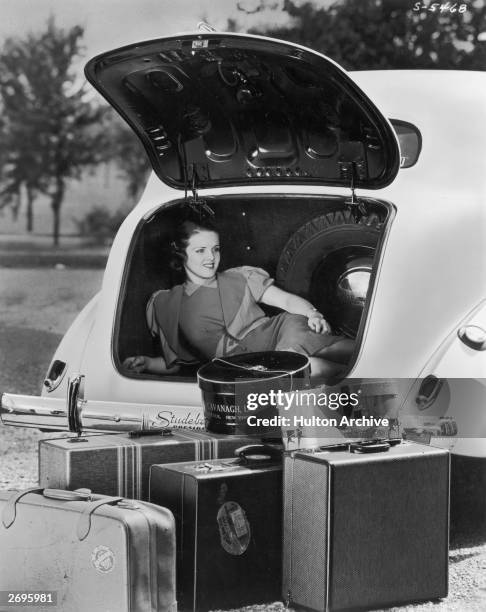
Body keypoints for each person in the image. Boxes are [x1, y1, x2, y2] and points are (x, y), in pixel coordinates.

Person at [123, 214, 354, 380]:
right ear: (180, 254)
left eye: (216, 249)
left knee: (355, 352)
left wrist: (312, 313)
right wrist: (147, 363)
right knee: (313, 369)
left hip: (284, 332)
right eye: (200, 250)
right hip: (247, 367)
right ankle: (370, 389)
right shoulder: (165, 304)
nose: (211, 258)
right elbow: (178, 363)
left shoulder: (241, 276)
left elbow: (285, 301)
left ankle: (377, 377)